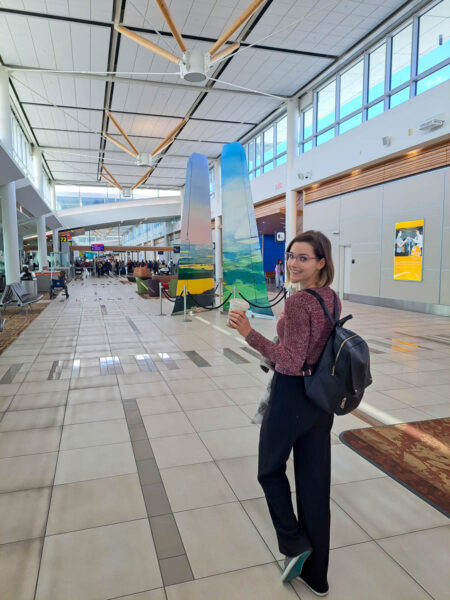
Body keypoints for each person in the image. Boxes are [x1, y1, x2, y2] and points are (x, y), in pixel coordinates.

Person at [229, 230, 340, 595]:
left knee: (269, 470)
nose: (293, 262)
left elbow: (291, 362)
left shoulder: (298, 303)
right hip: (320, 403)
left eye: (303, 258)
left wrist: (249, 333)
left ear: (321, 262)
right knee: (314, 482)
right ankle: (317, 575)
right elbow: (310, 349)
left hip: (292, 397)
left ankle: (294, 543)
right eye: (291, 255)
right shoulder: (330, 298)